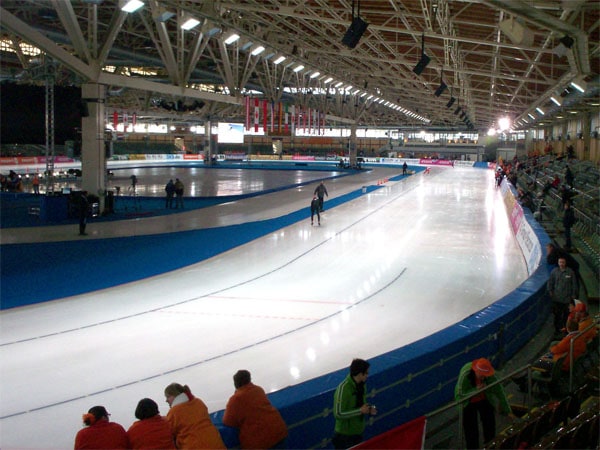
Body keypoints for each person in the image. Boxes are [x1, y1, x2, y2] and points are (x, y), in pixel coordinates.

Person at [454, 358, 513, 449]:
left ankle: (490, 445)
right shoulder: (465, 374)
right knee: (471, 429)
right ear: (475, 371)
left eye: (485, 376)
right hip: (468, 402)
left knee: (489, 422)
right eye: (481, 376)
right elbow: (460, 394)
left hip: (483, 398)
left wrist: (507, 409)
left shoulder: (489, 376)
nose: (483, 378)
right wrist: (475, 390)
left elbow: (499, 390)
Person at [222, 370, 288, 449]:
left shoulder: (236, 399)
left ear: (236, 383)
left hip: (260, 442)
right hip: (278, 431)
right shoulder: (258, 390)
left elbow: (228, 421)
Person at [164, 382, 226, 449]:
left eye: (168, 397)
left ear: (175, 395)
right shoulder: (198, 402)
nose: (166, 400)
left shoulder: (174, 412)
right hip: (215, 442)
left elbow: (169, 433)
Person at [332, 358, 377, 449]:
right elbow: (338, 413)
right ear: (360, 374)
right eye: (366, 373)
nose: (367, 375)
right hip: (344, 436)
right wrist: (360, 411)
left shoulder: (362, 385)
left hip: (358, 432)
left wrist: (369, 409)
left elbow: (361, 404)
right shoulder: (343, 389)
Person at [547, 256, 578, 336]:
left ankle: (565, 330)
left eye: (563, 262)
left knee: (566, 316)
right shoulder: (554, 271)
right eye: (560, 262)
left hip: (566, 299)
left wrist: (573, 295)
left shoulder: (570, 272)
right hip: (557, 298)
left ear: (565, 263)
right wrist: (550, 291)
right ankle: (557, 330)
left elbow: (574, 284)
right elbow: (550, 282)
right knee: (557, 315)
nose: (561, 264)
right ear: (558, 263)